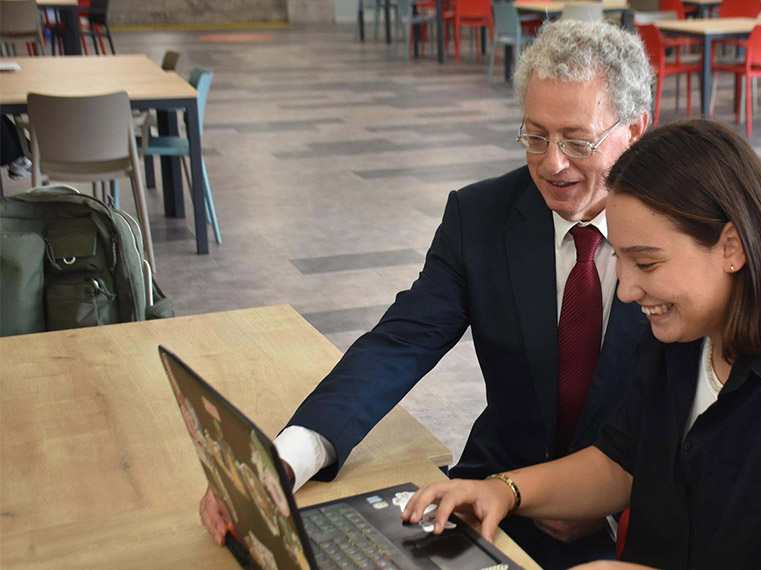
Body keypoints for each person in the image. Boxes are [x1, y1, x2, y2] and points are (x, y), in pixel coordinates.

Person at [198, 20, 654, 568]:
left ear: (636, 130)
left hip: (631, 521)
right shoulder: (481, 216)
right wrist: (284, 460)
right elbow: (400, 343)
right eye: (535, 136)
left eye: (577, 141)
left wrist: (612, 496)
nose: (552, 163)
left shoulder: (680, 239)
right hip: (490, 496)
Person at [401, 119, 761, 569]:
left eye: (647, 262)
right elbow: (624, 461)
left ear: (730, 246)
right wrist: (502, 491)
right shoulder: (690, 327)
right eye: (623, 259)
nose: (628, 289)